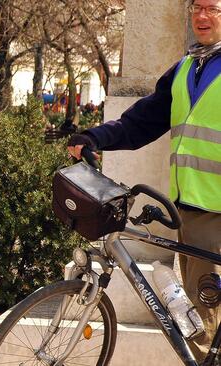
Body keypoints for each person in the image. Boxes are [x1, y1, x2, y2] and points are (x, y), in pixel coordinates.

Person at [67, 0, 221, 361]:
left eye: (213, 9)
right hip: (190, 211)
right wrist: (95, 137)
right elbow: (143, 120)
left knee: (206, 324)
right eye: (196, 8)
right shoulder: (186, 68)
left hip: (216, 213)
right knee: (201, 320)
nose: (201, 16)